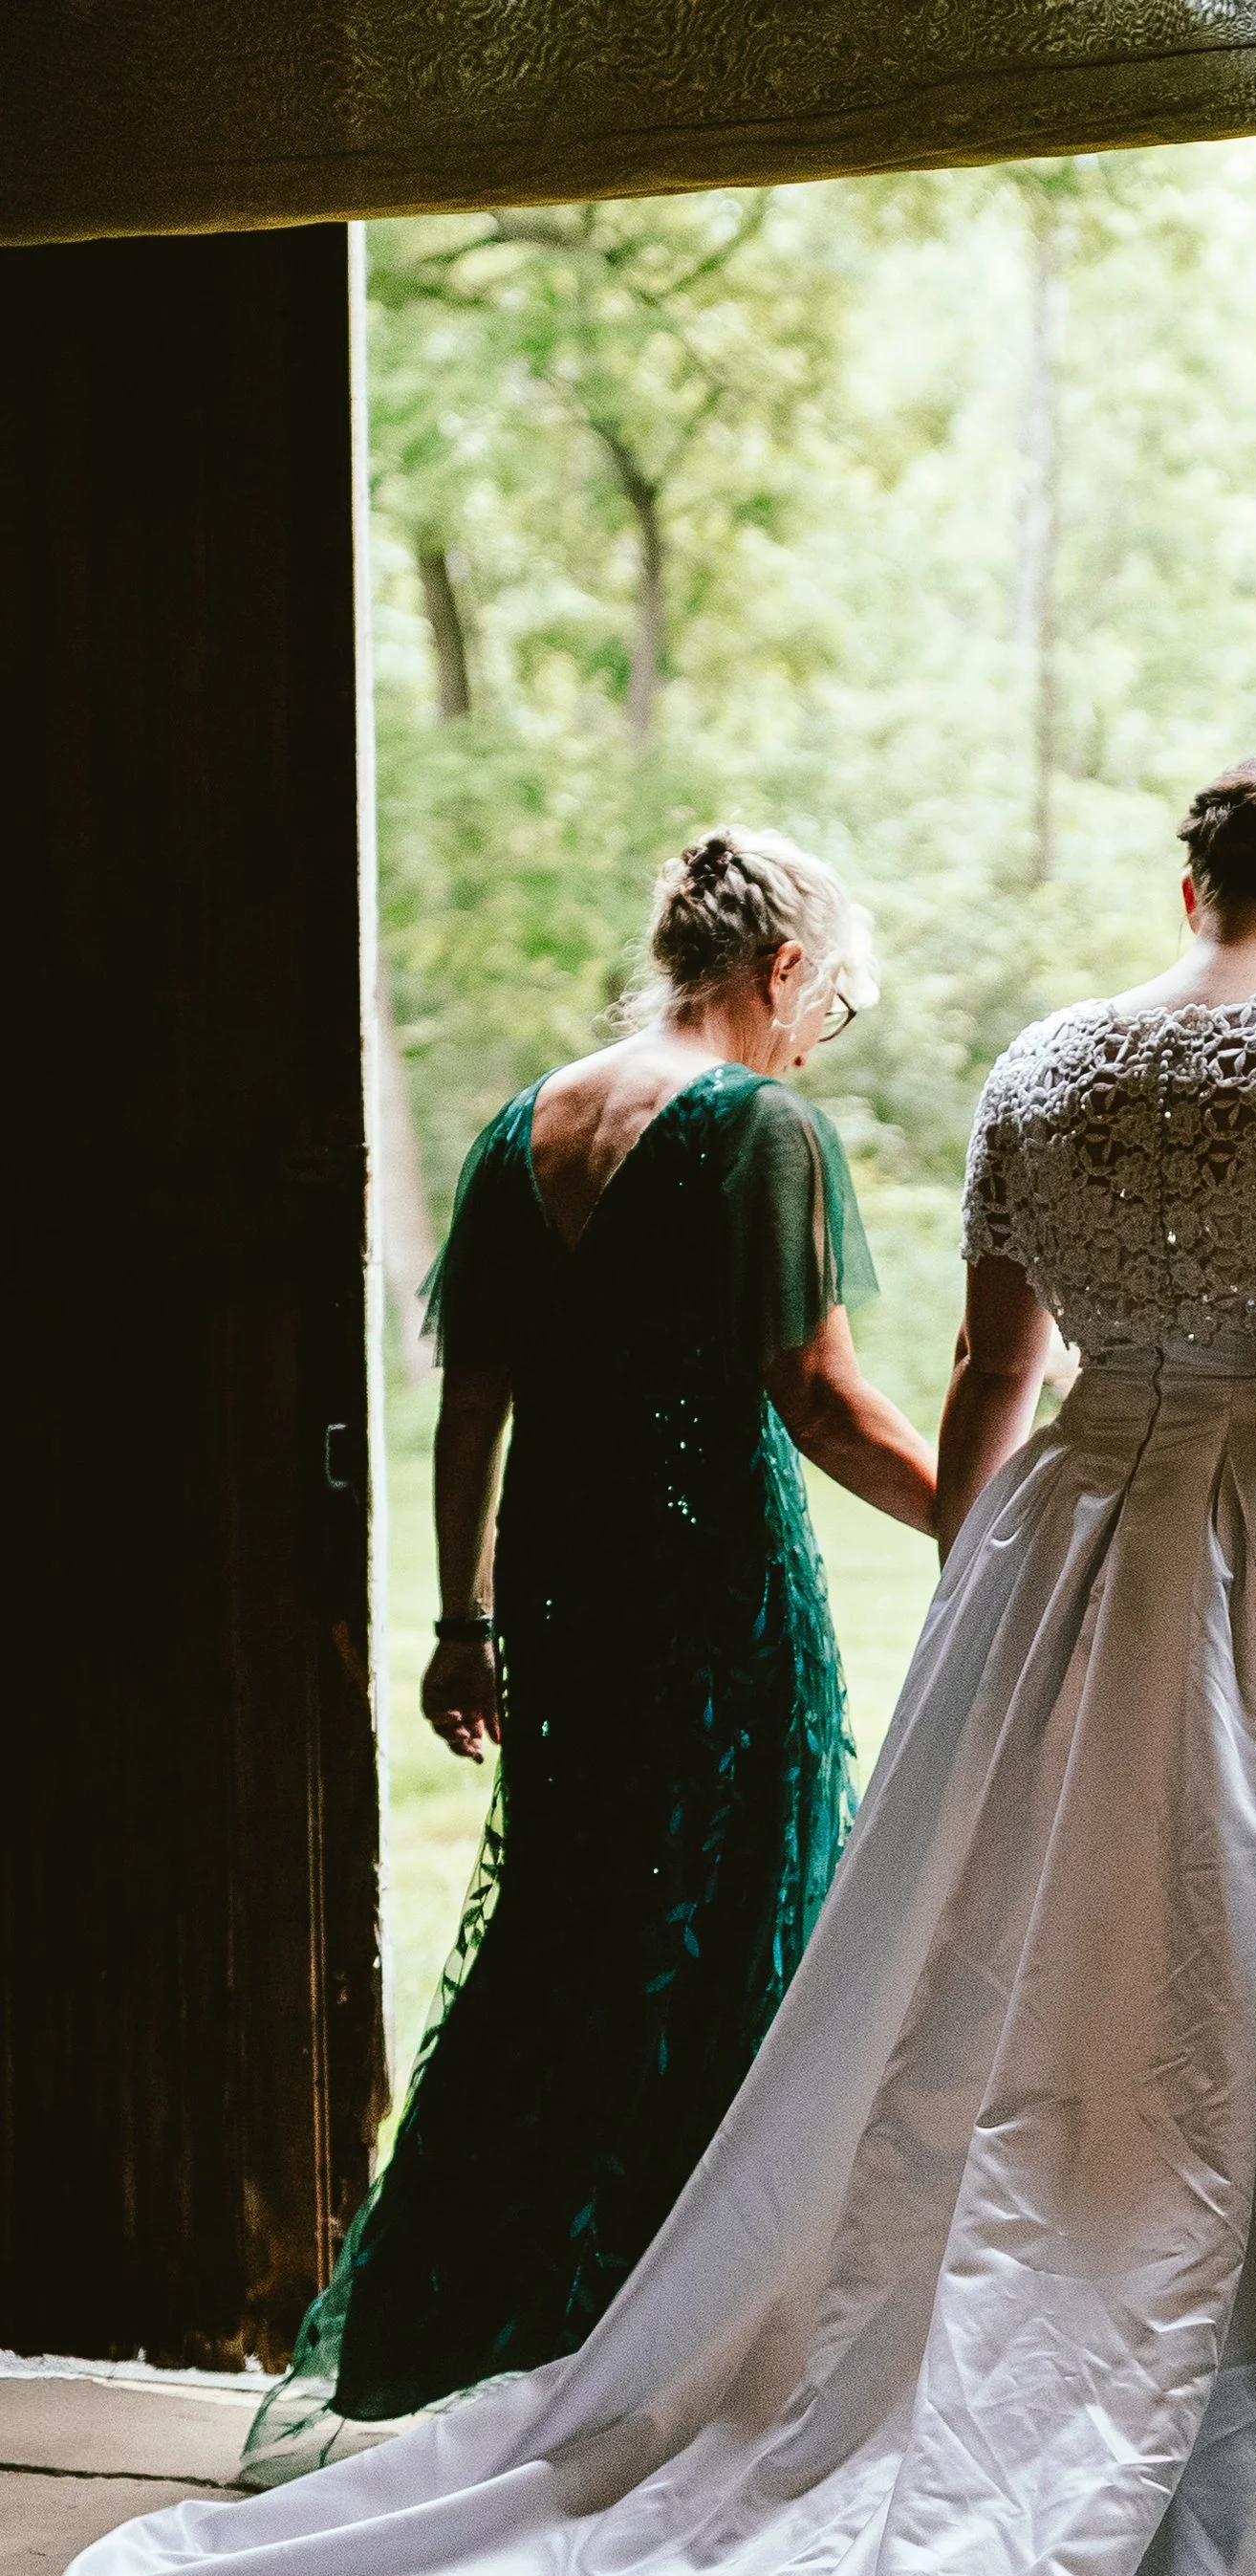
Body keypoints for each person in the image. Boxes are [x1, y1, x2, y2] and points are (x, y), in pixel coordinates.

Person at [47, 753, 1256, 2576]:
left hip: (1078, 1535)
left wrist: (990, 1592)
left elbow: (986, 1363)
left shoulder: (1050, 1064)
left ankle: (1021, 2341)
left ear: (1187, 882)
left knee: (1034, 1970)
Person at [239, 828, 938, 2486]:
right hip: (712, 1593)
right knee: (723, 1933)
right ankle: (686, 2326)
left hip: (562, 1593)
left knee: (569, 1932)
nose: (810, 1033)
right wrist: (985, 1514)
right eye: (823, 1001)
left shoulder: (520, 1124)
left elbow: (469, 1400)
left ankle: (474, 2318)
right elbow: (819, 1396)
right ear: (781, 971)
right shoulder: (762, 1129)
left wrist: (463, 1620)